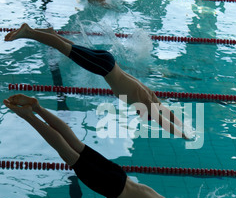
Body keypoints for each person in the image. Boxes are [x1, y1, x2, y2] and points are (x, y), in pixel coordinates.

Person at [3, 94, 189, 198]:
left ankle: (38, 108)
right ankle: (29, 115)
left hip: (120, 175)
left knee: (75, 143)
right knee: (68, 152)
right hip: (112, 188)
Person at [5, 23, 188, 139]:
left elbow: (167, 113)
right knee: (63, 48)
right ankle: (29, 32)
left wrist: (182, 125)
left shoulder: (150, 96)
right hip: (103, 67)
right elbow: (165, 122)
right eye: (145, 116)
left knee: (72, 47)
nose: (140, 116)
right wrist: (184, 136)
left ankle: (48, 32)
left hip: (107, 61)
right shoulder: (145, 103)